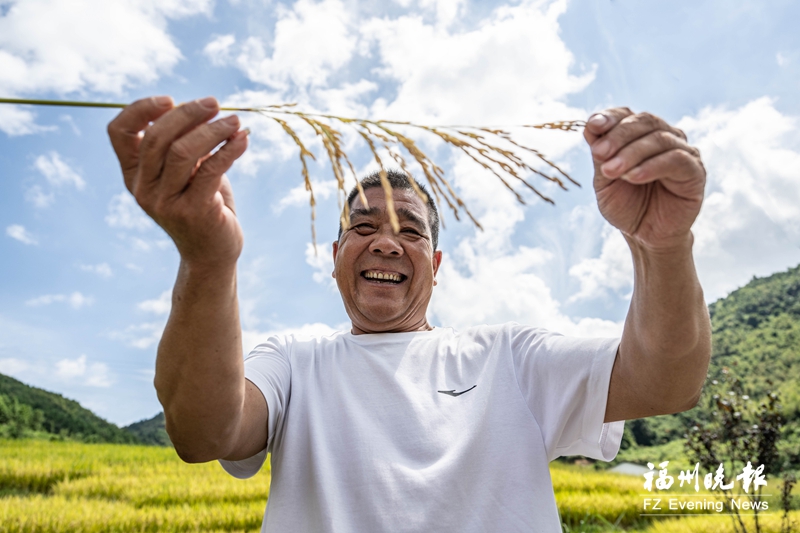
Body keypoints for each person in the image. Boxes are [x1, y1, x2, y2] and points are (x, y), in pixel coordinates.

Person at [107, 96, 711, 532]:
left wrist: (662, 244)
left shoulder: (510, 356)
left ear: (436, 261)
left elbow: (665, 380)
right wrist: (208, 258)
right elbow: (203, 432)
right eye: (362, 228)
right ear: (337, 256)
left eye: (409, 232)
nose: (387, 243)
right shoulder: (292, 360)